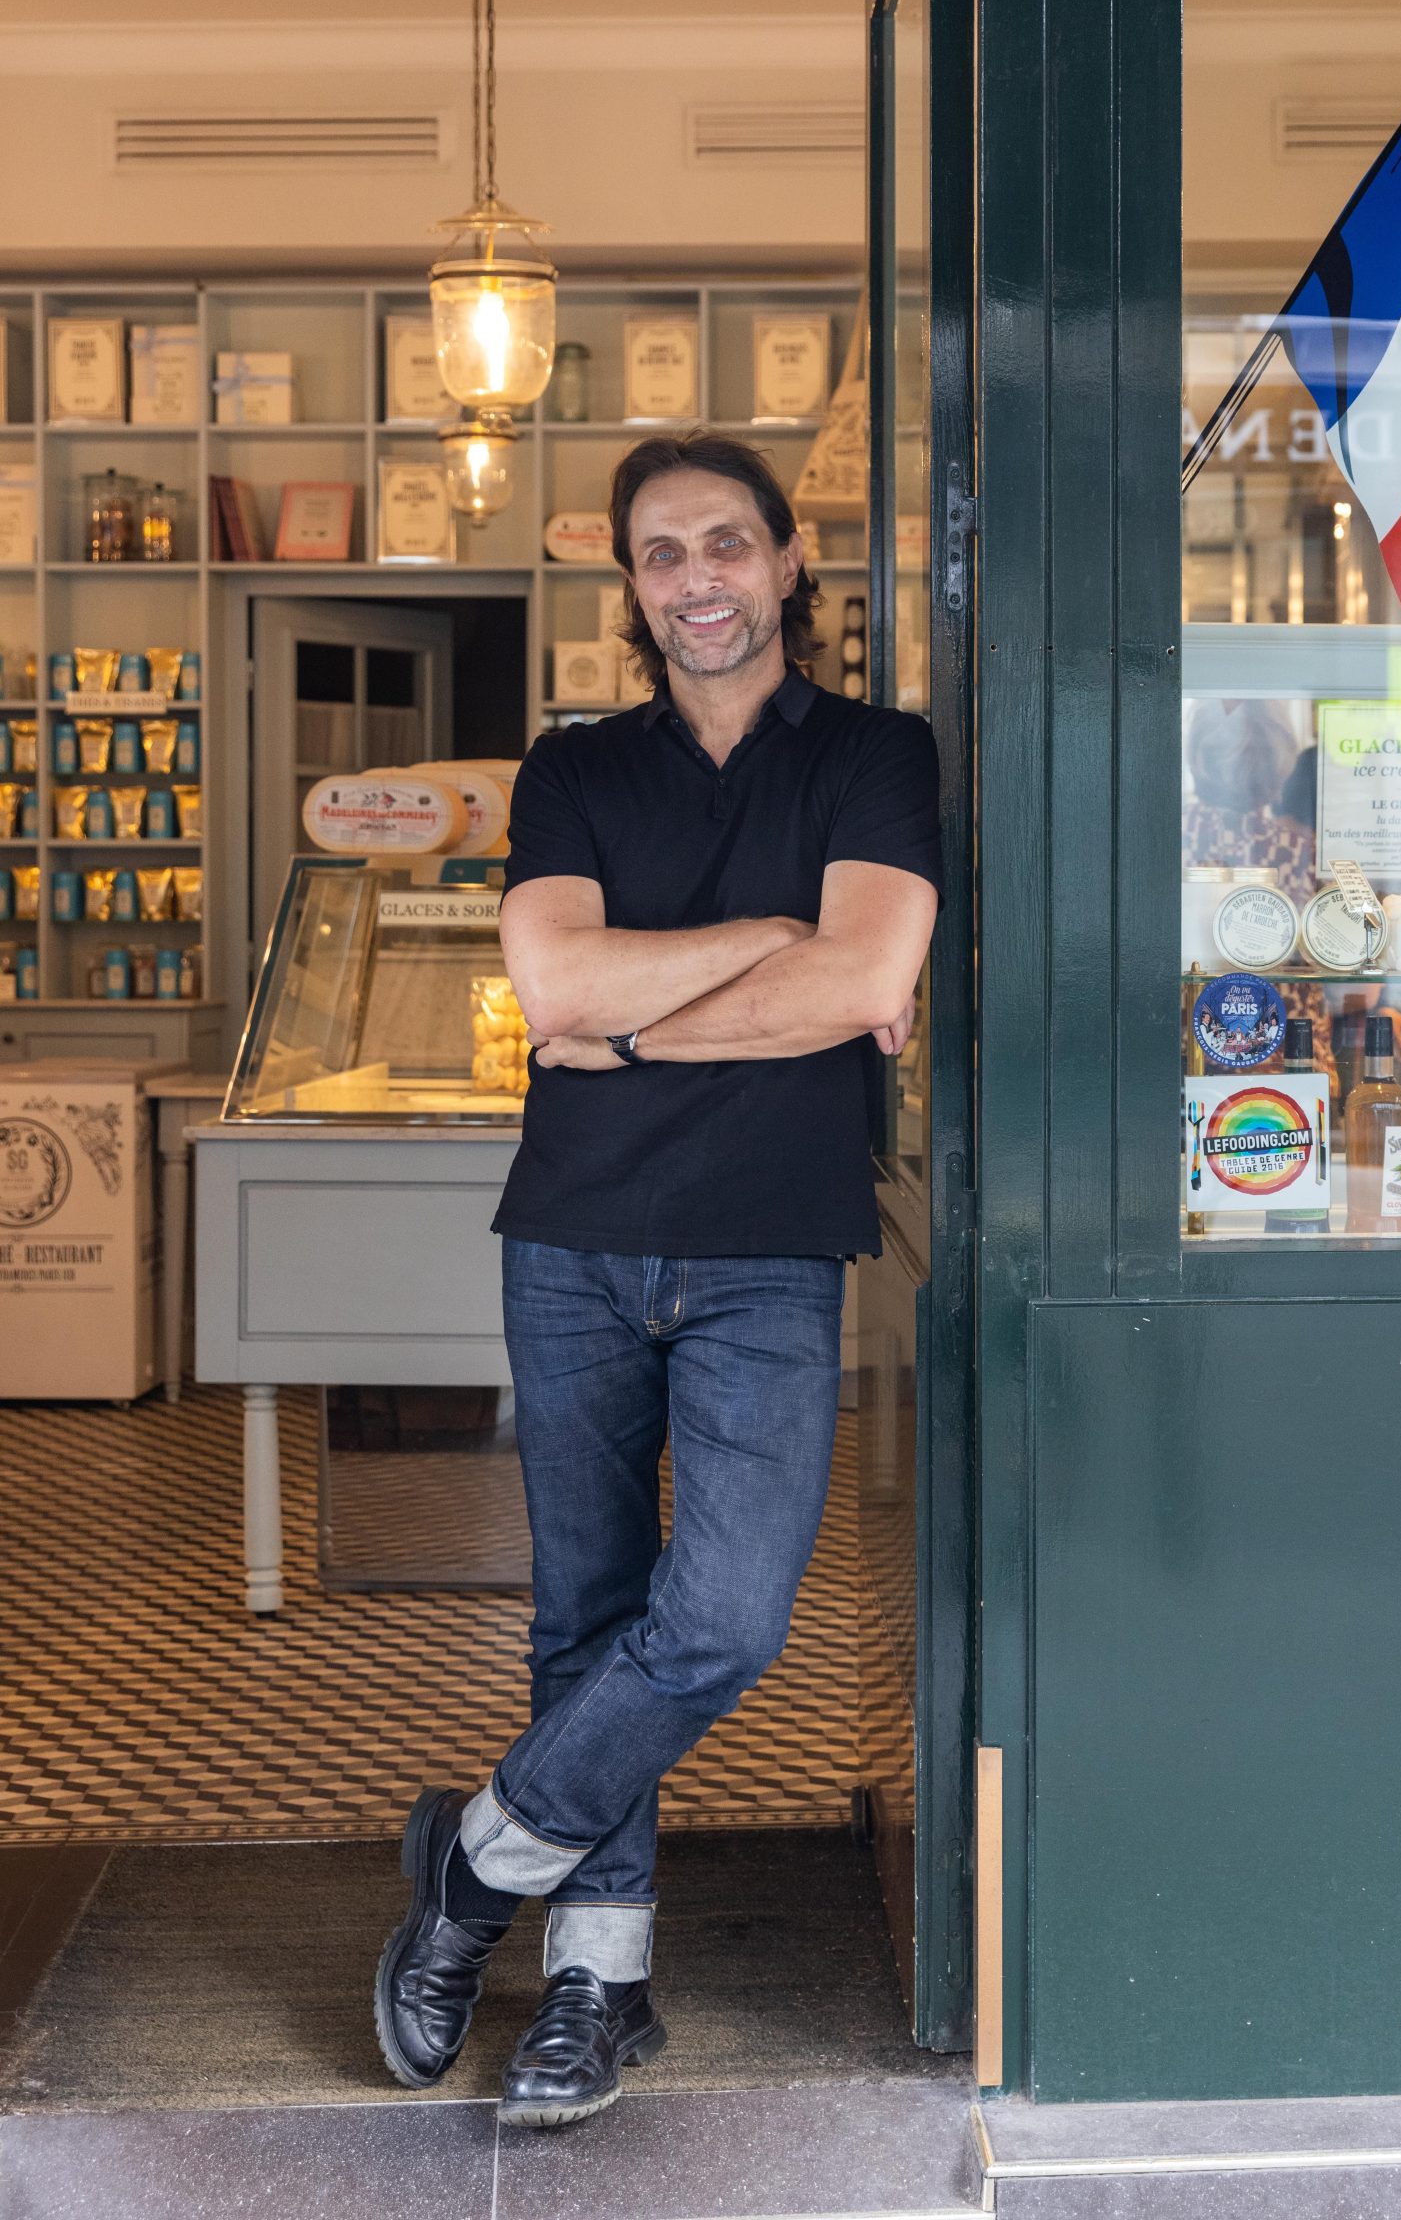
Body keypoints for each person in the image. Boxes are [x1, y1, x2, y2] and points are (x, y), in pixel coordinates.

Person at [373, 428, 942, 2129]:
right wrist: (770, 947)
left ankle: (474, 1867)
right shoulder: (576, 769)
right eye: (660, 554)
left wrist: (651, 1010)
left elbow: (861, 981)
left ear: (785, 560)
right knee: (586, 1609)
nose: (696, 578)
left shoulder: (874, 755)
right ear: (633, 586)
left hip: (771, 1244)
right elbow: (550, 984)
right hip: (573, 1239)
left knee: (725, 1618)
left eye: (724, 543)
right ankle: (595, 1991)